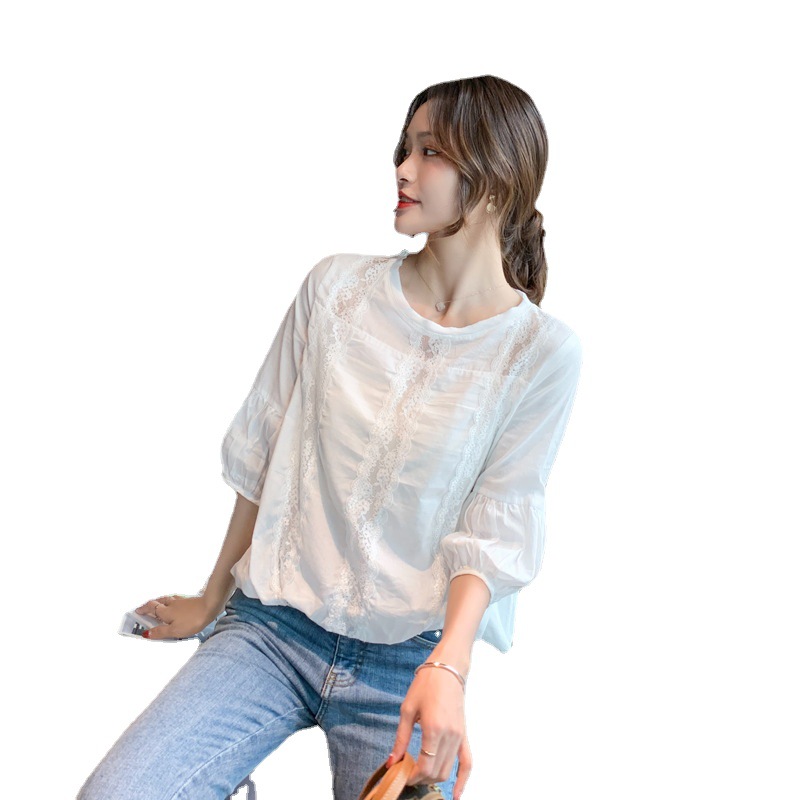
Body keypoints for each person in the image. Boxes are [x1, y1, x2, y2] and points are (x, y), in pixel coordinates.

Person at [78, 74, 583, 800]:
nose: (402, 169)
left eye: (430, 152)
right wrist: (211, 597)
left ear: (496, 180)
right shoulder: (336, 290)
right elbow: (264, 451)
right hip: (272, 629)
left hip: (409, 663)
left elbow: (495, 526)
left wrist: (448, 669)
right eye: (404, 149)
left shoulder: (540, 353)